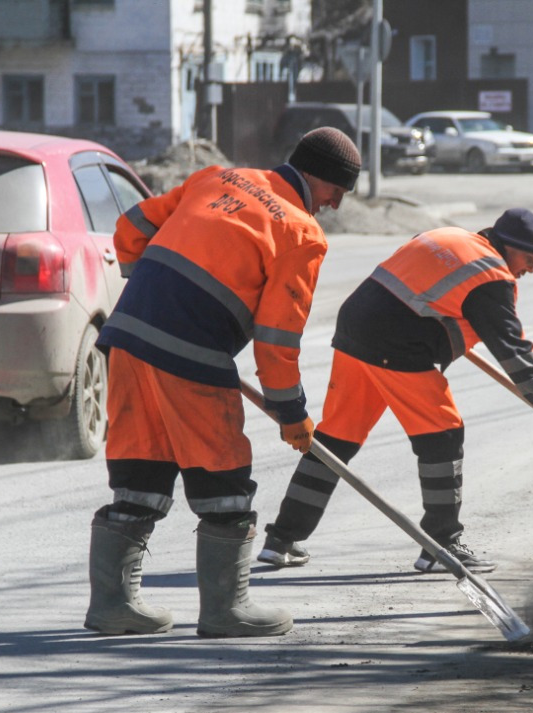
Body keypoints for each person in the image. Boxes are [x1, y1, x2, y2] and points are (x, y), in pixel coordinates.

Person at [82, 127, 362, 638]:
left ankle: (112, 605)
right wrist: (292, 414)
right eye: (335, 192)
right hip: (190, 354)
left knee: (141, 463)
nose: (335, 206)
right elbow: (276, 340)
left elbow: (130, 229)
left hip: (127, 338)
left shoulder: (215, 176)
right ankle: (224, 611)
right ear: (317, 179)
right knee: (222, 475)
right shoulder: (300, 234)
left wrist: (151, 294)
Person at [256, 208, 533, 574]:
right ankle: (441, 544)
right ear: (510, 247)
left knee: (336, 438)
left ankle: (281, 540)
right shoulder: (491, 276)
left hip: (354, 329)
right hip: (396, 346)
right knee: (443, 433)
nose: (531, 269)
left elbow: (425, 296)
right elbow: (512, 349)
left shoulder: (449, 237)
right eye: (530, 259)